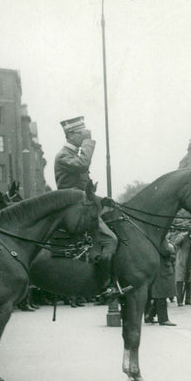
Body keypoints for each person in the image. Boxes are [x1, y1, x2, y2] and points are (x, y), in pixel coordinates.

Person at [54, 116, 121, 298]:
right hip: (73, 209)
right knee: (111, 240)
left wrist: (101, 199)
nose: (85, 136)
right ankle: (104, 285)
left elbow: (82, 191)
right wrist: (89, 142)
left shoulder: (72, 155)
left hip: (81, 206)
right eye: (82, 133)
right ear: (72, 135)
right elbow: (83, 165)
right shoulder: (64, 156)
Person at [145, 238, 177, 326]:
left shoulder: (156, 237)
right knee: (162, 294)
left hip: (161, 268)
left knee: (159, 294)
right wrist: (171, 247)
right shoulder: (160, 239)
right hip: (162, 268)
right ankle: (163, 319)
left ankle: (150, 315)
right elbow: (166, 251)